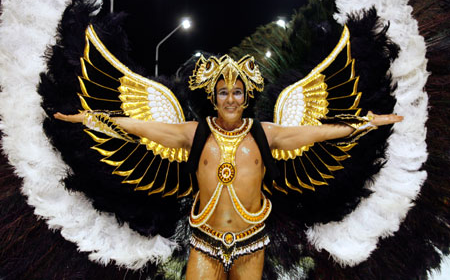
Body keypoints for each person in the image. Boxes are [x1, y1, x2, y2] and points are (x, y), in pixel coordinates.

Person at [54, 55, 403, 280]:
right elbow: (138, 127)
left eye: (237, 92)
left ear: (247, 96)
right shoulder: (194, 134)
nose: (231, 99)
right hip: (205, 243)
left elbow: (319, 133)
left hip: (252, 244)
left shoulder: (266, 135)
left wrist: (367, 123)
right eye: (223, 93)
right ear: (214, 97)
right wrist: (92, 118)